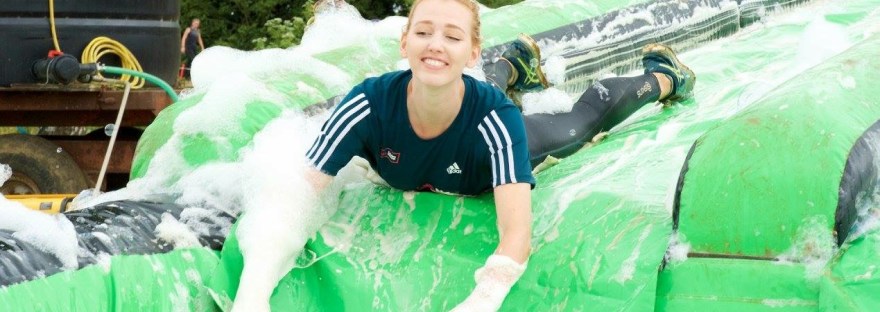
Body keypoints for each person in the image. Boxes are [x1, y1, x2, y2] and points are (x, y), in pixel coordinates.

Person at [232, 0, 695, 310]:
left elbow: (517, 236)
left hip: (485, 161)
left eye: (452, 36)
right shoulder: (367, 104)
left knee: (580, 124)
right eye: (424, 33)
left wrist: (480, 301)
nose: (435, 44)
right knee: (447, 79)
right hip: (456, 104)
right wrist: (251, 296)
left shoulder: (495, 121)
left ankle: (663, 77)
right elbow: (298, 193)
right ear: (404, 42)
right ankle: (513, 62)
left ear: (473, 49)